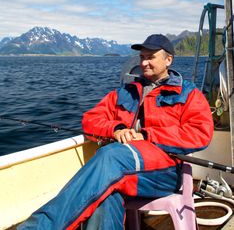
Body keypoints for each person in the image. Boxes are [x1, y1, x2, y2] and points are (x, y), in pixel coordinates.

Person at [18, 34, 214, 230]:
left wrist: (147, 135)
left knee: (110, 156)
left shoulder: (188, 94)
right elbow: (90, 120)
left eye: (151, 57)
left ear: (168, 60)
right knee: (103, 197)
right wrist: (116, 129)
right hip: (123, 169)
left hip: (165, 172)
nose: (144, 63)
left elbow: (200, 133)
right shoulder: (125, 92)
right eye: (142, 57)